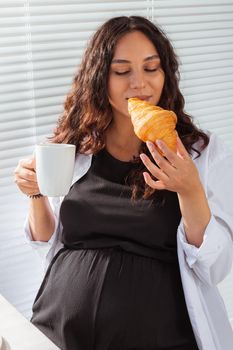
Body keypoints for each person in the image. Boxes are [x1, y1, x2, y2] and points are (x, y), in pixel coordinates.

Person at [14, 16, 233, 350]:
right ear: (100, 78)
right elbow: (47, 243)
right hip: (58, 332)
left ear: (166, 73)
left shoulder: (199, 152)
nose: (140, 83)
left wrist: (189, 189)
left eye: (151, 68)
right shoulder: (72, 146)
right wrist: (35, 194)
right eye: (122, 71)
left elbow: (214, 267)